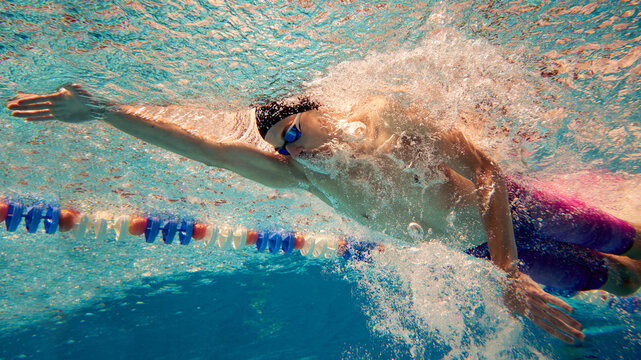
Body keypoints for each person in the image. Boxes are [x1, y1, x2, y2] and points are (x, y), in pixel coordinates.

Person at [7, 84, 641, 344]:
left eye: (297, 129)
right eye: (282, 144)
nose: (296, 147)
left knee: (624, 238)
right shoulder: (305, 181)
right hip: (482, 252)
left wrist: (508, 268)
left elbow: (487, 174)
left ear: (318, 110)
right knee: (616, 279)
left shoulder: (392, 121)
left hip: (514, 208)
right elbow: (201, 149)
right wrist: (104, 113)